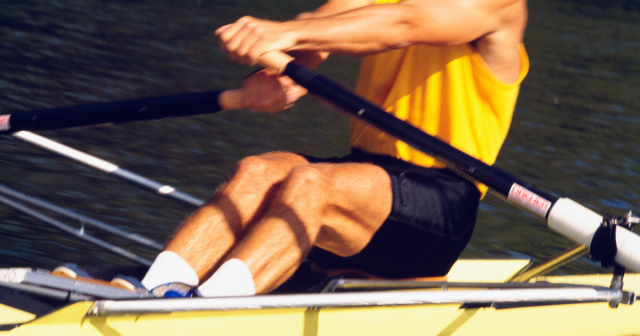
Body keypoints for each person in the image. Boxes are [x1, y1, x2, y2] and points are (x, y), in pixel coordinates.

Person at [141, 0, 529, 297]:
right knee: (258, 171)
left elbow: (404, 24)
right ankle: (151, 292)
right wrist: (287, 67)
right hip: (365, 178)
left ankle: (202, 311)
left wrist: (285, 35)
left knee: (311, 184)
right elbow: (321, 22)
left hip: (443, 202)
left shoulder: (500, 4)